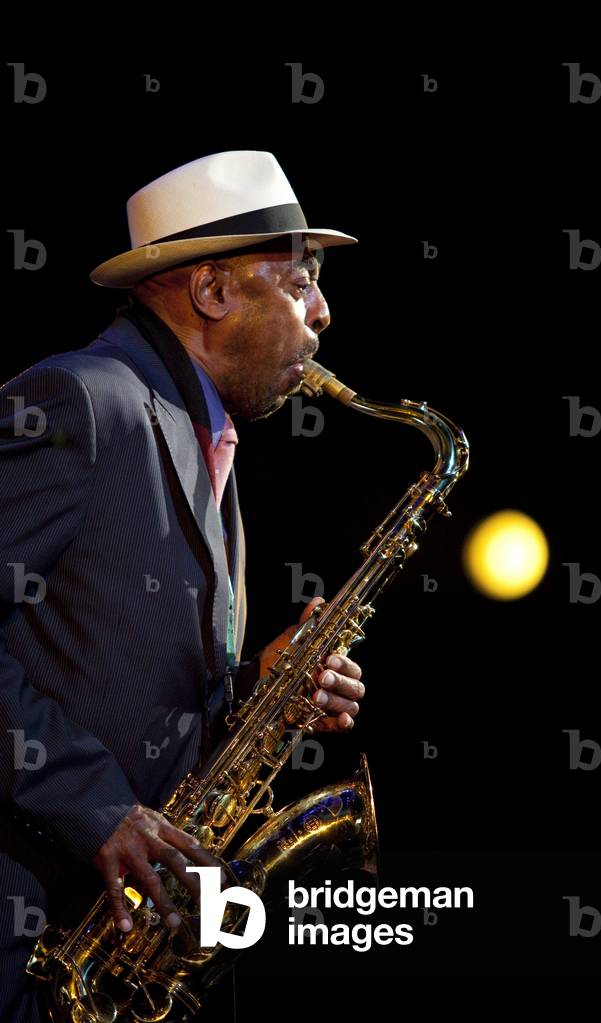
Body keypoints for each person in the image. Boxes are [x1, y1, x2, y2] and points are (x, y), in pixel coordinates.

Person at [0, 150, 366, 1022]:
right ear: (211, 290)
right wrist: (98, 808)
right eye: (301, 281)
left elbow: (101, 661)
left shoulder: (205, 440)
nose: (322, 313)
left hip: (106, 939)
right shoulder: (82, 398)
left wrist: (259, 688)